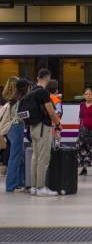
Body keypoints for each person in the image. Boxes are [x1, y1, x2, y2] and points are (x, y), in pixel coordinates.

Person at [22, 68, 62, 197]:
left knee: (35, 157)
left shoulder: (32, 91)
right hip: (43, 128)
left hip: (33, 128)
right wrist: (58, 124)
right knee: (43, 158)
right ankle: (41, 187)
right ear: (47, 78)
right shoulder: (44, 93)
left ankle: (34, 187)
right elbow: (51, 112)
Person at [3, 77, 29, 192]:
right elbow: (21, 115)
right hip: (17, 127)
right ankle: (11, 185)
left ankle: (21, 181)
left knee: (21, 156)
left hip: (10, 129)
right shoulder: (20, 99)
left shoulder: (11, 98)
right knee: (14, 157)